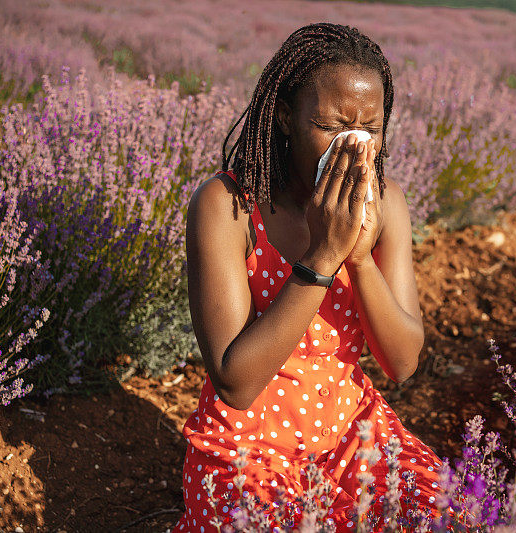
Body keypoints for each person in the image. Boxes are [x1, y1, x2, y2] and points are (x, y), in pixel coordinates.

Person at [174, 22, 447, 532]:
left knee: (446, 513)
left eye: (372, 129)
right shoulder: (227, 206)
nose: (355, 147)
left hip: (350, 431)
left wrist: (360, 258)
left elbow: (402, 362)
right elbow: (235, 382)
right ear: (283, 116)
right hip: (247, 441)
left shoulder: (387, 204)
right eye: (332, 127)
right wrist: (324, 254)